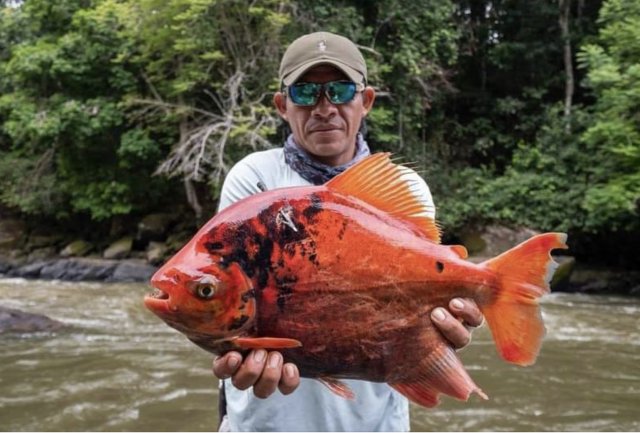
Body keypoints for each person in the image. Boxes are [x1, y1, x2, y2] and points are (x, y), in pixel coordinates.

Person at [212, 31, 484, 432]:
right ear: (283, 105)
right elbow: (223, 294)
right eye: (305, 93)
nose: (324, 108)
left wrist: (446, 325)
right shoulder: (254, 178)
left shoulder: (404, 187)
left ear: (366, 100)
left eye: (340, 90)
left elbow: (422, 297)